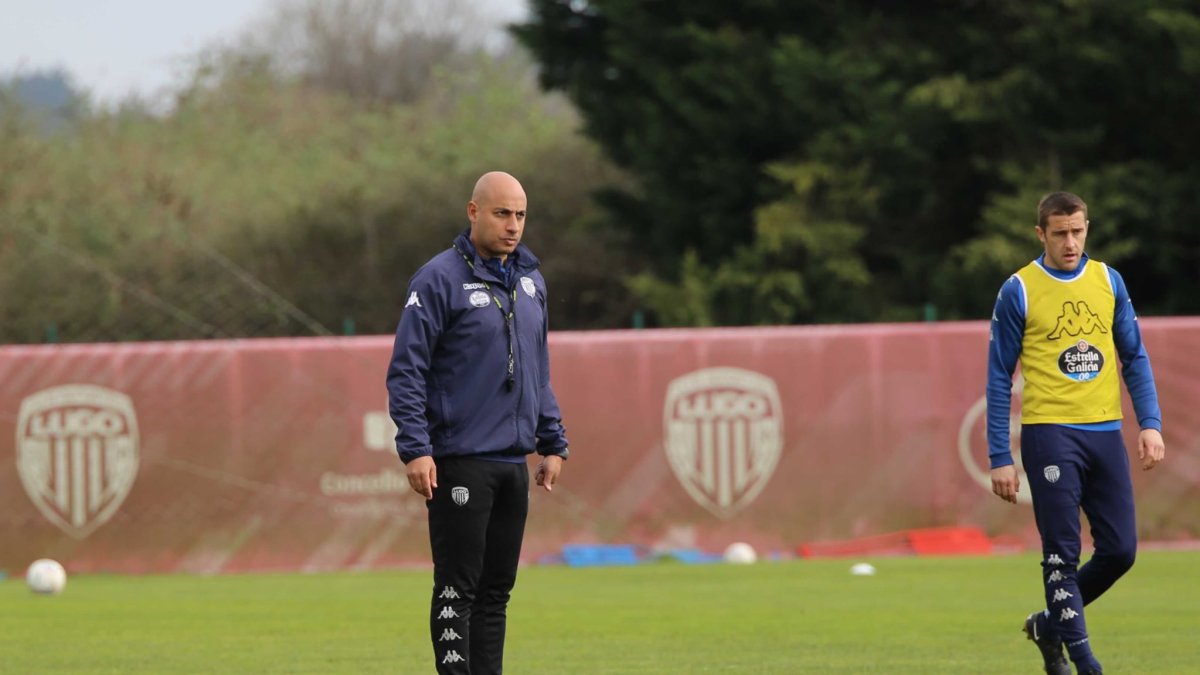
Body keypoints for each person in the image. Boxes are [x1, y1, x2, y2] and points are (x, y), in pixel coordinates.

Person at [387, 171, 569, 674]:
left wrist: (552, 441)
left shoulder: (532, 282)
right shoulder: (438, 279)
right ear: (473, 212)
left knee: (495, 596)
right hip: (461, 460)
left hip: (513, 464)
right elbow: (407, 370)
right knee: (457, 589)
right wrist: (415, 447)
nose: (513, 226)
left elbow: (538, 368)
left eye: (520, 215)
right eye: (501, 213)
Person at [986, 191, 1166, 675]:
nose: (1070, 242)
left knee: (1121, 551)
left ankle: (1049, 625)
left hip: (1105, 432)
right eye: (1060, 233)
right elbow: (999, 376)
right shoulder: (1019, 289)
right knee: (1061, 553)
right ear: (1040, 233)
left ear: (1087, 228)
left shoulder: (1109, 281)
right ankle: (1085, 663)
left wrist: (1150, 423)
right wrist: (999, 455)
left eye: (1078, 231)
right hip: (1050, 434)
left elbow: (1134, 355)